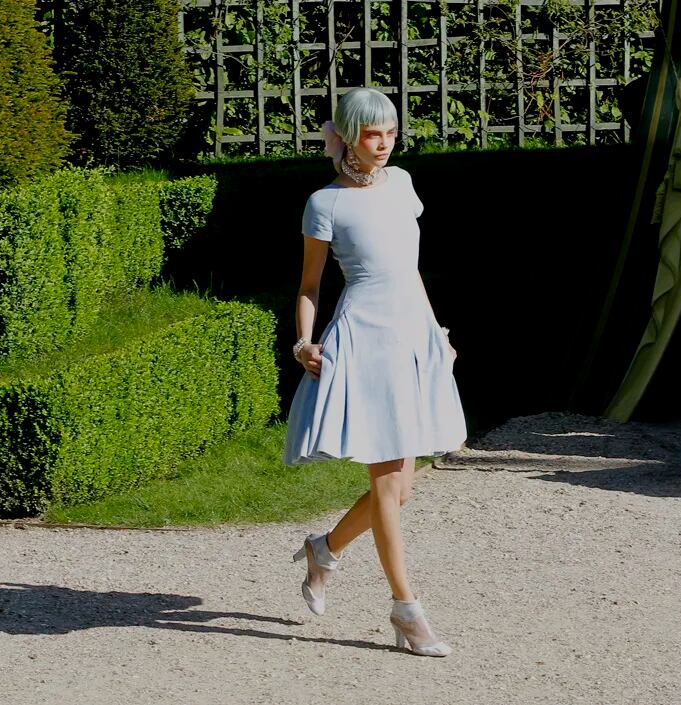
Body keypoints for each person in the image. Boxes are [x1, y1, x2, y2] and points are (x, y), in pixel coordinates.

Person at [283, 86, 467, 657]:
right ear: (348, 136)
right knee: (387, 485)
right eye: (372, 134)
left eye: (389, 132)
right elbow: (309, 286)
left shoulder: (404, 184)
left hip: (411, 336)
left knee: (401, 490)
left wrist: (435, 334)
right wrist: (304, 343)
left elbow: (408, 272)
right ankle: (406, 610)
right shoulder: (325, 203)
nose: (383, 143)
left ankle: (324, 550)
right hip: (363, 343)